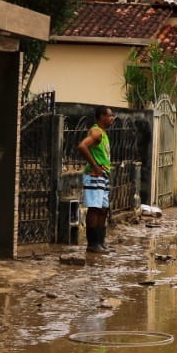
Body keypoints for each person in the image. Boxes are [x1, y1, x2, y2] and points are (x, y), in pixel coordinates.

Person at [77, 106, 115, 253]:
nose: (112, 118)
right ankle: (92, 244)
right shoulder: (96, 132)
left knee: (103, 209)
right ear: (101, 117)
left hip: (103, 175)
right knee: (94, 208)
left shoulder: (103, 133)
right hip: (95, 175)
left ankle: (100, 241)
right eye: (110, 116)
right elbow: (82, 146)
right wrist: (95, 165)